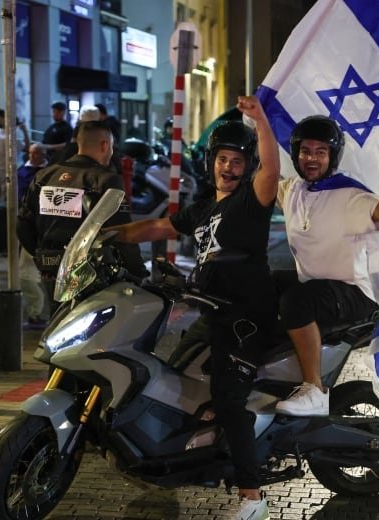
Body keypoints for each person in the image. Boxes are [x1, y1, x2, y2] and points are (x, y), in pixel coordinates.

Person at [108, 96, 277, 520]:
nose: (228, 167)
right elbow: (154, 226)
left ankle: (252, 496)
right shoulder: (204, 209)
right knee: (175, 377)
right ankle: (184, 458)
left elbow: (272, 171)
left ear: (247, 166)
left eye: (237, 161)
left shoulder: (250, 202)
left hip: (244, 317)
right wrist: (104, 236)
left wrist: (260, 122)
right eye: (222, 159)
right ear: (212, 162)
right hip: (211, 313)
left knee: (227, 395)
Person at [274, 115, 379, 417]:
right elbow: (263, 183)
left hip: (353, 294)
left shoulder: (348, 195)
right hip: (316, 289)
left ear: (332, 157)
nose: (312, 158)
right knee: (266, 283)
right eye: (305, 151)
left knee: (295, 301)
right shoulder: (292, 191)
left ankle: (313, 388)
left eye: (320, 152)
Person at [17, 120, 148, 314]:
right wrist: (138, 273)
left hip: (52, 271)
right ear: (105, 145)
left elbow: (23, 224)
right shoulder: (106, 180)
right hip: (92, 275)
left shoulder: (45, 176)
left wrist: (42, 257)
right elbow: (120, 231)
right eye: (111, 147)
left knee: (59, 326)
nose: (111, 152)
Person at [17, 143, 50, 330]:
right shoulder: (23, 171)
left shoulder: (49, 171)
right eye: (31, 153)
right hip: (30, 223)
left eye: (37, 152)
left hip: (41, 223)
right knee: (27, 272)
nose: (34, 156)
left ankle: (36, 313)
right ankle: (35, 314)